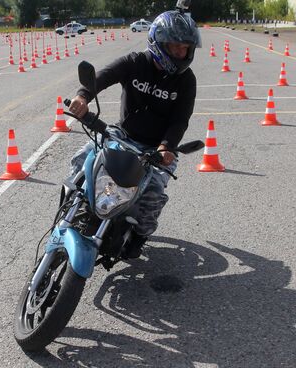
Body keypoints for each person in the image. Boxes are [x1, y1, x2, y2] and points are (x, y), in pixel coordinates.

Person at [67, 9, 201, 259]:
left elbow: (180, 120)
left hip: (157, 150)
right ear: (158, 42)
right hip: (121, 135)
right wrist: (82, 97)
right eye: (175, 47)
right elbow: (102, 77)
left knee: (152, 196)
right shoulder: (135, 62)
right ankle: (73, 208)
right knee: (81, 160)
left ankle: (139, 237)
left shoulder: (186, 81)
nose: (181, 53)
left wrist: (167, 146)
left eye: (185, 48)